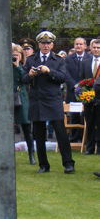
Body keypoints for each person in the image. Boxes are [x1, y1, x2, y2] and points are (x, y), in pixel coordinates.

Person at [22, 30, 75, 174]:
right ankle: (43, 165)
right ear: (39, 44)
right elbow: (23, 79)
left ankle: (68, 163)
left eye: (48, 43)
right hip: (37, 101)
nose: (46, 45)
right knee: (39, 134)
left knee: (60, 133)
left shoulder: (58, 60)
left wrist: (48, 71)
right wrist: (30, 74)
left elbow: (63, 77)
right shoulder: (31, 59)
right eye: (43, 43)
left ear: (52, 45)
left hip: (53, 100)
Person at [12, 44, 35, 165]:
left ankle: (31, 154)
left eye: (17, 54)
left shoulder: (25, 67)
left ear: (21, 56)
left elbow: (25, 80)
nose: (15, 56)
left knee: (26, 128)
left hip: (22, 99)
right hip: (10, 99)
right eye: (13, 54)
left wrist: (17, 67)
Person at [79, 39, 100, 154]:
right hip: (88, 97)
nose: (96, 49)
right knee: (90, 123)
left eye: (98, 47)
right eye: (94, 47)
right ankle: (90, 148)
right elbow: (81, 79)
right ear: (90, 48)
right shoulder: (85, 62)